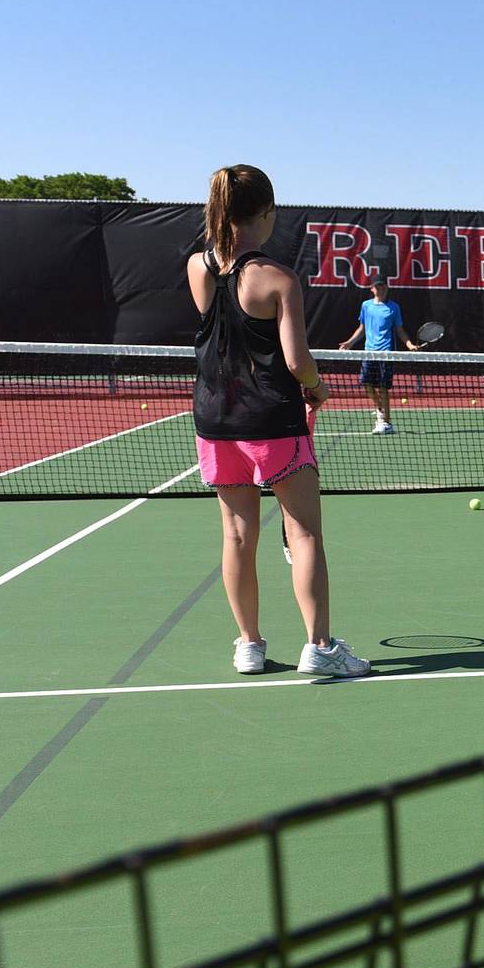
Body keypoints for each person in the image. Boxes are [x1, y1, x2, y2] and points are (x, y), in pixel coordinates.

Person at [189, 165, 368, 678]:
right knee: (306, 533)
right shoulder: (279, 278)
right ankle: (322, 648)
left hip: (216, 419)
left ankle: (249, 645)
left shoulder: (197, 268)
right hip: (272, 419)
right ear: (266, 214)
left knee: (238, 537)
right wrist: (317, 388)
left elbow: (224, 332)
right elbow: (295, 359)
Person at [339, 273, 426, 434]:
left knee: (383, 387)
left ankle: (387, 422)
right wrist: (349, 343)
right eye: (377, 286)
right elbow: (362, 328)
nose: (381, 288)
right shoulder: (366, 306)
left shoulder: (394, 308)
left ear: (387, 287)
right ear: (372, 289)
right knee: (366, 384)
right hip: (369, 352)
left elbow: (400, 330)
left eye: (383, 285)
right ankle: (380, 409)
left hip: (386, 352)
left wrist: (409, 344)